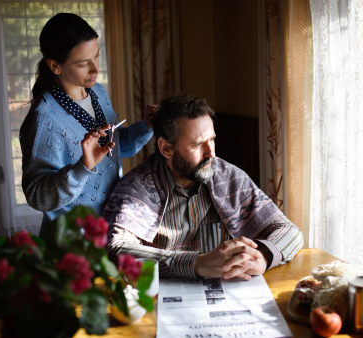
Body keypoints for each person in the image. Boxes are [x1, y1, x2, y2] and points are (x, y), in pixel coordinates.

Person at [103, 94, 304, 280]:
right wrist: (195, 264)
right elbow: (116, 249)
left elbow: (290, 231)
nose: (211, 153)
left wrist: (264, 256)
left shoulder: (229, 177)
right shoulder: (137, 188)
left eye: (212, 140)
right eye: (197, 144)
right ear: (167, 148)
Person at [20, 13, 155, 233]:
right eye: (84, 64)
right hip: (70, 245)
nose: (96, 69)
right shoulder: (44, 119)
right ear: (55, 66)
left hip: (109, 229)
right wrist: (83, 168)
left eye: (97, 56)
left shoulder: (97, 92)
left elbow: (114, 151)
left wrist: (147, 126)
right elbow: (37, 196)